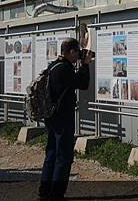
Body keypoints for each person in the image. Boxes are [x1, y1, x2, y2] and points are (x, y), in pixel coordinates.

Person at [39, 38, 92, 201]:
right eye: (78, 52)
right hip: (63, 119)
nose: (79, 55)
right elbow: (83, 83)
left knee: (51, 153)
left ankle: (45, 191)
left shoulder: (53, 65)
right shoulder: (64, 69)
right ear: (71, 52)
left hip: (52, 117)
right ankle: (56, 194)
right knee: (63, 156)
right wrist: (86, 64)